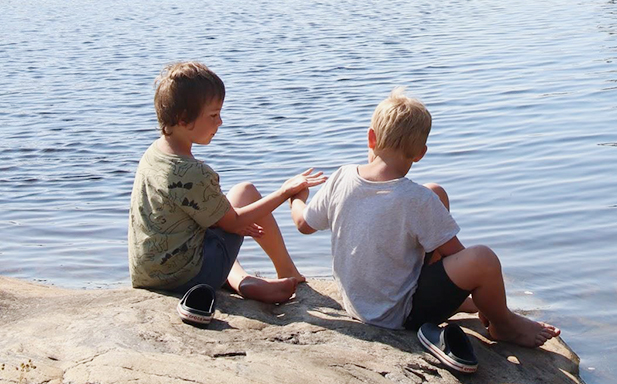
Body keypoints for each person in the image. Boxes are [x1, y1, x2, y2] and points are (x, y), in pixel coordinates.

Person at [289, 87, 560, 347]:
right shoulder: (415, 199)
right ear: (420, 153)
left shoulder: (342, 176)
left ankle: (469, 302)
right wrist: (480, 288)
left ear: (372, 138)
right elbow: (455, 255)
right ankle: (504, 325)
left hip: (356, 303)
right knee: (483, 260)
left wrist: (297, 197)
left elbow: (303, 224)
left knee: (436, 193)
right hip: (398, 316)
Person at [128, 61, 325, 303]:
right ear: (182, 118)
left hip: (148, 274)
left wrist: (227, 222)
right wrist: (285, 192)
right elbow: (235, 222)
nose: (220, 122)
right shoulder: (193, 172)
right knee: (247, 193)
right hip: (187, 278)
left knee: (231, 206)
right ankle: (286, 271)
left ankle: (240, 280)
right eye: (213, 115)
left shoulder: (154, 154)